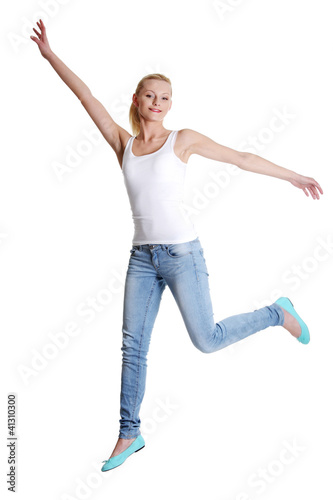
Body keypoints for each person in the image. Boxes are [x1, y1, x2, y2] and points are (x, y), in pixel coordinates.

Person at [31, 19, 323, 472]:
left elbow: (241, 157)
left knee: (207, 340)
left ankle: (277, 313)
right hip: (142, 259)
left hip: (183, 255)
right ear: (136, 100)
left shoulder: (181, 141)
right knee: (133, 346)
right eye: (150, 95)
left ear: (171, 105)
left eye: (165, 97)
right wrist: (51, 56)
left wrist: (294, 176)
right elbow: (86, 96)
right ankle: (129, 432)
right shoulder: (123, 144)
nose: (158, 103)